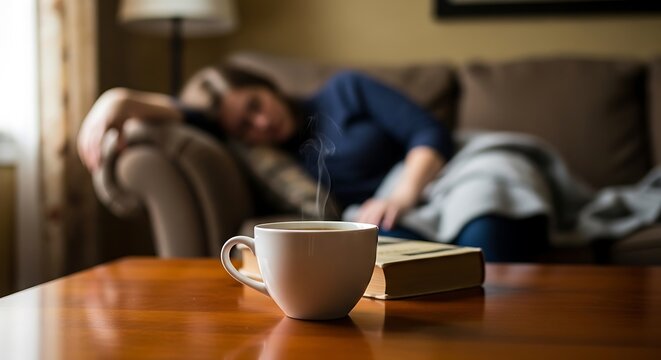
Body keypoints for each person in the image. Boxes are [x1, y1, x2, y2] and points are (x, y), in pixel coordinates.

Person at [78, 67, 549, 262]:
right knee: (396, 257)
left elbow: (429, 133)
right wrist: (118, 100)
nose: (261, 125)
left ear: (266, 84)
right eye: (245, 127)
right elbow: (189, 115)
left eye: (257, 104)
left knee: (485, 227)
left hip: (441, 173)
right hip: (381, 216)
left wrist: (402, 193)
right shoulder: (272, 156)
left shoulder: (345, 90)